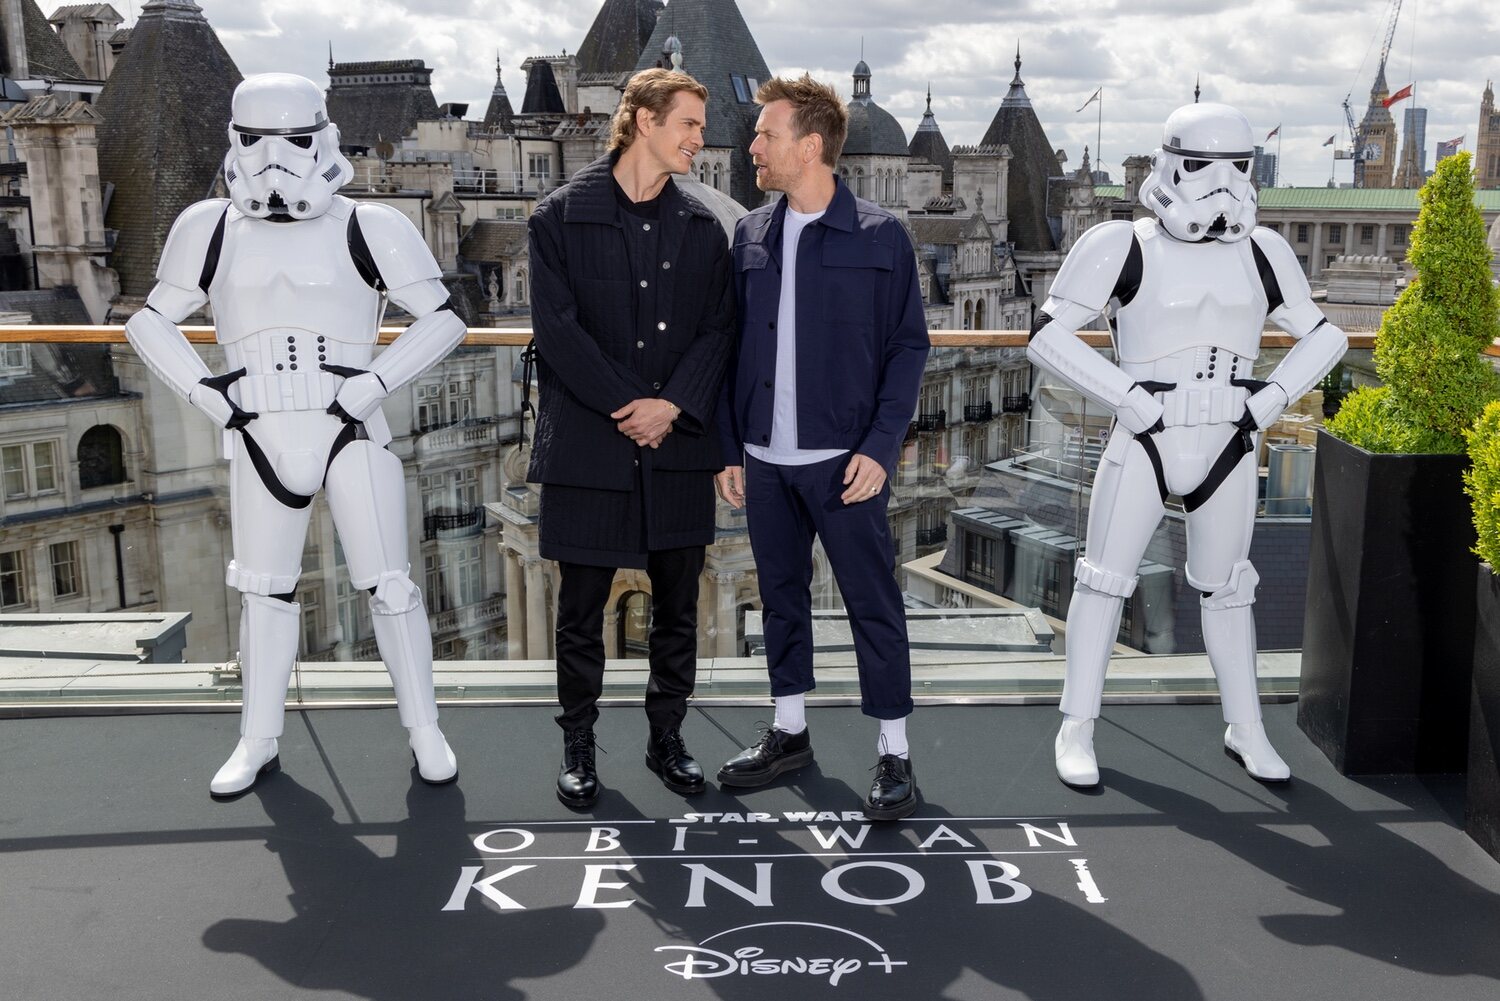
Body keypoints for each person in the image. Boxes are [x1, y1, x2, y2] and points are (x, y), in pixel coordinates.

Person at [124, 73, 466, 797]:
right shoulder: (207, 227)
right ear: (235, 142)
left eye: (293, 139)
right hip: (257, 429)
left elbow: (442, 319)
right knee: (265, 591)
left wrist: (373, 383)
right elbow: (149, 320)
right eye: (256, 141)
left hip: (347, 425)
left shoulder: (371, 226)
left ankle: (425, 728)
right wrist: (209, 396)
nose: (273, 158)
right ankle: (257, 736)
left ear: (324, 138)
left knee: (392, 586)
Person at [1027, 102, 1347, 787]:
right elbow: (1047, 335)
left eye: (1240, 166)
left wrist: (1268, 399)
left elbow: (1327, 335)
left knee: (1229, 589)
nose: (1224, 182)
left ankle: (1247, 726)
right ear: (1171, 161)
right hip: (1148, 430)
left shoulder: (1264, 251)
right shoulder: (1122, 245)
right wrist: (1126, 397)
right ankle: (1076, 726)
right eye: (1204, 164)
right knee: (1104, 579)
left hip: (1229, 434)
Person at [713, 75, 930, 821]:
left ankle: (895, 753)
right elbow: (730, 347)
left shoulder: (881, 236)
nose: (753, 148)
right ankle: (790, 732)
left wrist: (880, 445)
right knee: (781, 600)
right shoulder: (750, 234)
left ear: (810, 146)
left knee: (874, 603)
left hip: (846, 465)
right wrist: (730, 448)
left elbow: (907, 348)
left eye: (765, 135)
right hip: (765, 461)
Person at [526, 68, 736, 808]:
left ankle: (666, 737)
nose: (699, 140)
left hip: (675, 448)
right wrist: (635, 405)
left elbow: (720, 330)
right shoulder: (555, 218)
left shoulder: (707, 227)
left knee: (678, 610)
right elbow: (557, 332)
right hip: (590, 446)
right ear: (643, 120)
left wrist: (671, 405)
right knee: (579, 612)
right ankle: (578, 744)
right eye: (689, 124)